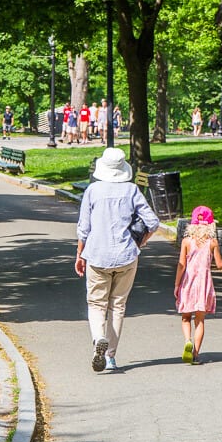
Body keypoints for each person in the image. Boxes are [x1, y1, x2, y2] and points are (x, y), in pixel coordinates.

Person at [75, 148, 160, 372]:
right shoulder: (132, 190)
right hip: (126, 255)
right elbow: (152, 221)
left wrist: (79, 254)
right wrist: (140, 243)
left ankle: (98, 340)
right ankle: (111, 356)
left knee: (96, 303)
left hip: (97, 254)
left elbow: (84, 228)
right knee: (118, 306)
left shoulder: (93, 191)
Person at [175, 206, 222, 365]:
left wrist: (177, 284)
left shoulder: (186, 242)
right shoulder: (212, 242)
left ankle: (187, 341)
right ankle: (196, 354)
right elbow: (219, 265)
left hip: (188, 282)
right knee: (200, 320)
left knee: (185, 317)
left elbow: (181, 265)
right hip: (204, 284)